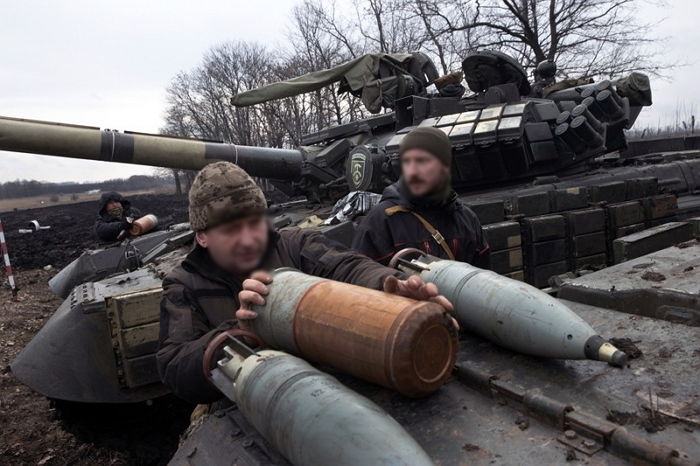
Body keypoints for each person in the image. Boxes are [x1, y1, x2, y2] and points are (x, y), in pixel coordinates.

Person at [156, 161, 454, 404]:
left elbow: (347, 266)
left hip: (327, 385)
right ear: (202, 236)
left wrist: (392, 284)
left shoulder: (295, 245)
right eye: (231, 230)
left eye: (255, 223)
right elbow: (175, 368)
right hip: (249, 404)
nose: (248, 240)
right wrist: (239, 331)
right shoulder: (184, 284)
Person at [353, 126, 490, 268]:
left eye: (421, 161)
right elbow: (358, 283)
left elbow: (484, 282)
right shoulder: (380, 222)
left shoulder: (467, 220)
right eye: (407, 161)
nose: (412, 171)